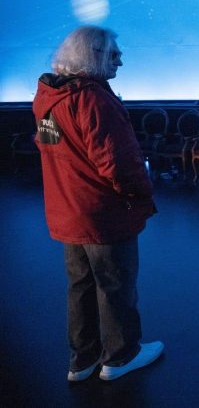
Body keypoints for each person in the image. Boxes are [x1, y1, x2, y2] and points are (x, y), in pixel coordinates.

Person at [32, 26, 164, 382]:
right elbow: (117, 162)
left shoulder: (46, 98)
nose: (121, 59)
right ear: (90, 56)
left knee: (80, 287)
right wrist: (142, 193)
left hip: (69, 213)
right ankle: (120, 357)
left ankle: (82, 360)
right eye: (113, 54)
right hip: (103, 215)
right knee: (115, 284)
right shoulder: (94, 100)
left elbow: (51, 149)